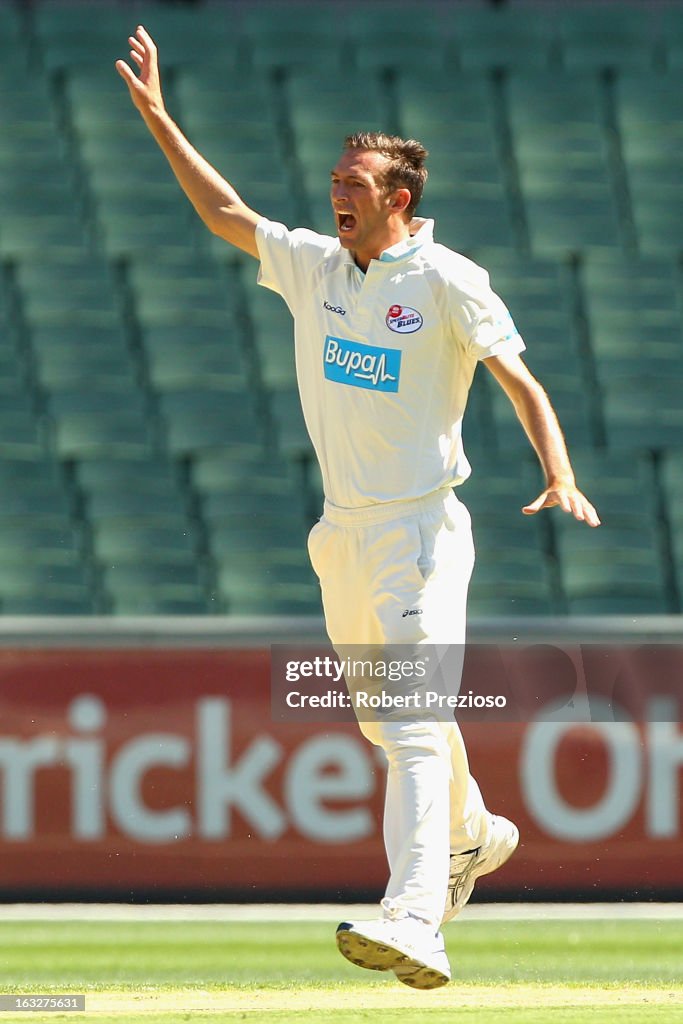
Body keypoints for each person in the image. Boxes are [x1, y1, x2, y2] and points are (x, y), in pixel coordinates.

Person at [117, 26, 600, 991]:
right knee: (387, 727)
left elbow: (521, 382)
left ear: (399, 200)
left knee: (414, 724)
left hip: (422, 532)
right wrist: (162, 120)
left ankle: (416, 917)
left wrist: (560, 471)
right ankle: (474, 833)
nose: (335, 194)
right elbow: (226, 211)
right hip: (341, 535)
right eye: (334, 180)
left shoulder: (450, 280)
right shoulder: (316, 268)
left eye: (354, 184)